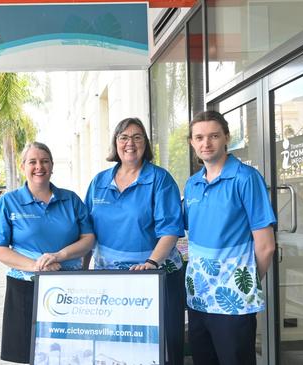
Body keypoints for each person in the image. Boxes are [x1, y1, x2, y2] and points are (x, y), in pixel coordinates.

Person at [83, 117, 185, 365]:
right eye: (124, 137)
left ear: (145, 143)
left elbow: (170, 229)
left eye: (137, 137)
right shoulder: (99, 182)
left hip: (156, 277)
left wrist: (151, 263)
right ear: (115, 143)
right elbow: (87, 231)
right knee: (117, 347)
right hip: (111, 283)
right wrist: (82, 270)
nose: (130, 143)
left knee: (162, 347)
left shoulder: (160, 179)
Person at [0, 141, 95, 364]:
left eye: (45, 161)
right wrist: (39, 266)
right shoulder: (9, 202)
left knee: (69, 353)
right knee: (27, 354)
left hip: (70, 287)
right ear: (22, 166)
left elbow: (89, 239)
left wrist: (59, 256)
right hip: (25, 289)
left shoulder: (71, 200)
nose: (39, 167)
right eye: (32, 161)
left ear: (52, 166)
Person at [183, 110, 276, 365]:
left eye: (213, 135)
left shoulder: (246, 179)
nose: (206, 143)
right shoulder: (192, 184)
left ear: (226, 137)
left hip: (233, 299)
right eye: (199, 137)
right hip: (198, 297)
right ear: (192, 142)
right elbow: (187, 235)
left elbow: (266, 246)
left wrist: (245, 283)